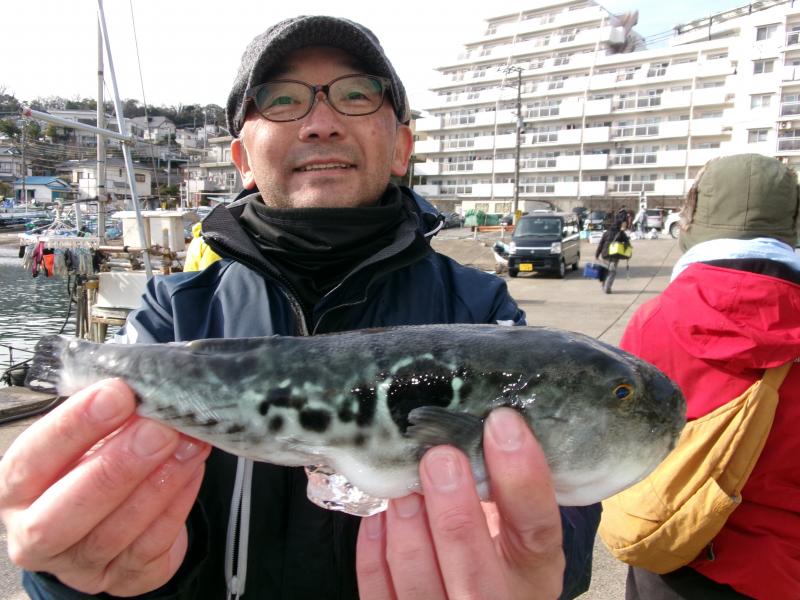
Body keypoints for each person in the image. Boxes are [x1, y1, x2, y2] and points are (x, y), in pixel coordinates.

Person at [0, 16, 600, 600]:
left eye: (356, 95)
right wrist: (73, 572)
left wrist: (541, 562)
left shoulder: (477, 308)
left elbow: (561, 478)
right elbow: (88, 483)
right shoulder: (172, 313)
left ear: (402, 147)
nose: (321, 123)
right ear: (241, 160)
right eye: (282, 99)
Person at [620, 153, 800, 599]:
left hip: (677, 551)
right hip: (785, 570)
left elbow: (628, 437)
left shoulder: (655, 320)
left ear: (694, 218)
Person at [595, 220, 631, 293]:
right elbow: (628, 244)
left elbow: (601, 244)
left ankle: (604, 285)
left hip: (605, 254)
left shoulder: (606, 233)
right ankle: (607, 288)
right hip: (615, 254)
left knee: (606, 270)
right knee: (612, 271)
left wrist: (597, 254)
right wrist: (628, 254)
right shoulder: (621, 233)